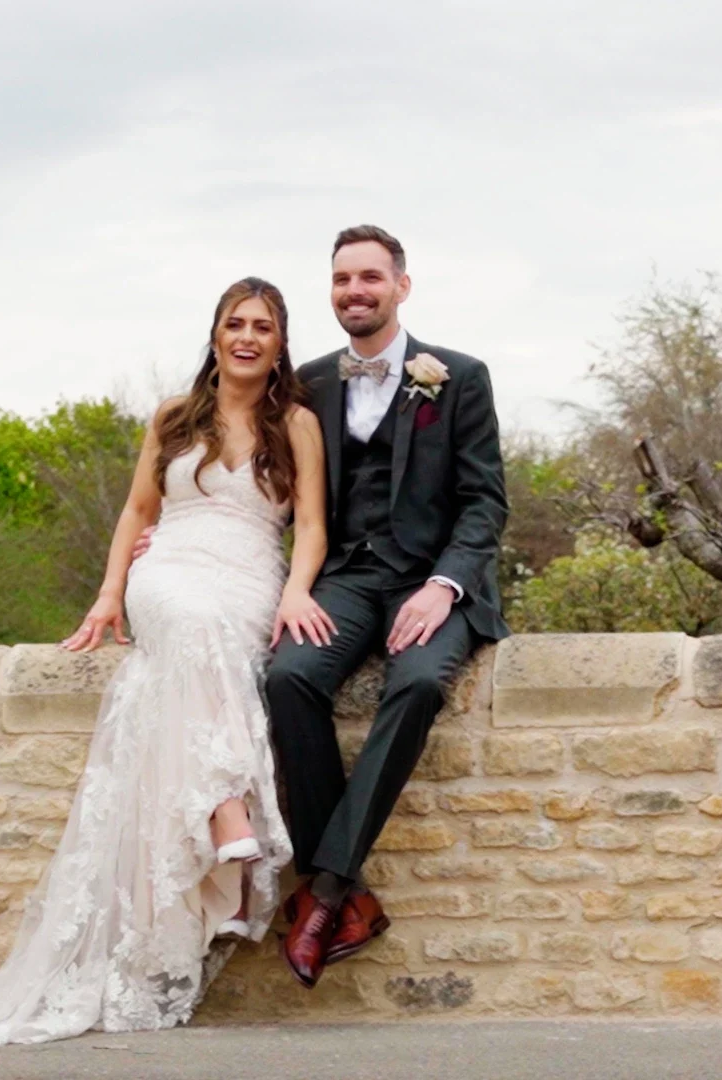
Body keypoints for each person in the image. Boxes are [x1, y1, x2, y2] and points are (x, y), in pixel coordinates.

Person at [0, 277, 331, 1047]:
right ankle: (226, 818)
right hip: (169, 568)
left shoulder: (296, 423)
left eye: (262, 326)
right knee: (185, 621)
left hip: (248, 576)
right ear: (214, 334)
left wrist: (298, 591)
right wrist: (108, 595)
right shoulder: (173, 416)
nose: (247, 337)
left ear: (279, 341)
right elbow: (138, 511)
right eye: (234, 323)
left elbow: (312, 526)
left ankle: (214, 852)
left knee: (206, 644)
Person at [135, 225, 510, 989]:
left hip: (436, 582)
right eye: (342, 280)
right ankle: (347, 894)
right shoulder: (308, 385)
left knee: (415, 685)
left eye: (371, 278)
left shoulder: (460, 377)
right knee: (287, 680)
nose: (355, 292)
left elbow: (484, 504)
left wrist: (444, 587)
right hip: (345, 580)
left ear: (401, 285)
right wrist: (170, 540)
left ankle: (327, 889)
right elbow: (255, 473)